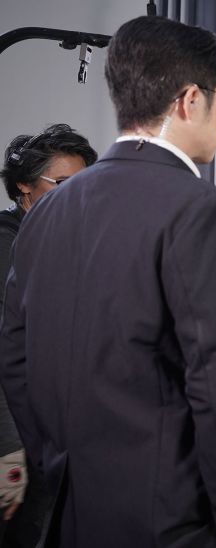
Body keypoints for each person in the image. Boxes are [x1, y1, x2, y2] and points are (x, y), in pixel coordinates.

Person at [0, 16, 216, 547]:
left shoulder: (46, 213)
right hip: (172, 523)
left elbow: (16, 360)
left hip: (70, 517)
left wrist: (57, 469)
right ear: (188, 100)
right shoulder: (201, 209)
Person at [0, 125, 96, 546]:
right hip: (18, 442)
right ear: (23, 185)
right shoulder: (7, 247)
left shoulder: (58, 242)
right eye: (61, 184)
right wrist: (9, 451)